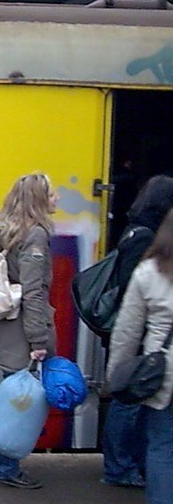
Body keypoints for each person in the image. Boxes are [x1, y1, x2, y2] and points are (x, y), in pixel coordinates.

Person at [0, 173, 58, 489]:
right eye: (52, 194)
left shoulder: (9, 232)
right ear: (39, 200)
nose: (57, 199)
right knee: (18, 398)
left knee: (8, 389)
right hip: (22, 327)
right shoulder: (35, 236)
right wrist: (38, 339)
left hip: (5, 324)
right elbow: (33, 291)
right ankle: (5, 467)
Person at [100, 175, 173, 488]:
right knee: (127, 403)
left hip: (136, 331)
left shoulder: (133, 229)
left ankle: (123, 465)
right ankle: (119, 467)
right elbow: (135, 289)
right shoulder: (146, 238)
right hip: (143, 336)